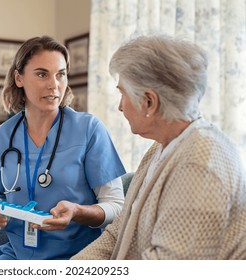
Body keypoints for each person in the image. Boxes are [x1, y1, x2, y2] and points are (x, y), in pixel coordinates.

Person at [72, 34, 246, 260]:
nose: (120, 106)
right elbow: (117, 233)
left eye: (122, 93)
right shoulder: (161, 147)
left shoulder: (200, 162)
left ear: (149, 102)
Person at [0, 35, 126, 260]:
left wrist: (77, 211)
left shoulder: (89, 129)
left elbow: (116, 207)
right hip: (17, 256)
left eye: (61, 74)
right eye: (41, 74)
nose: (54, 84)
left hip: (79, 257)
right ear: (19, 78)